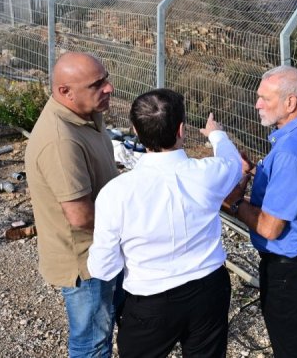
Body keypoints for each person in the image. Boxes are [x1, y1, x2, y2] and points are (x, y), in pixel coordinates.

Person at [88, 89, 245, 358]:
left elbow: (102, 267)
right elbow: (233, 162)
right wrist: (216, 134)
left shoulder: (116, 193)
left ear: (135, 130)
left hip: (150, 302)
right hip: (209, 290)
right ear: (181, 129)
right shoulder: (208, 173)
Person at [223, 66, 297, 357]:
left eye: (265, 98)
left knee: (292, 342)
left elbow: (271, 228)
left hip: (290, 267)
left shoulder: (290, 152)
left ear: (290, 103)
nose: (257, 104)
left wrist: (234, 203)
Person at [24, 52, 121, 358]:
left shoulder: (85, 114)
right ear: (65, 92)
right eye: (97, 84)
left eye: (105, 78)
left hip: (101, 250)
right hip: (86, 261)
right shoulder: (60, 141)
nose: (109, 88)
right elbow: (80, 216)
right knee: (91, 342)